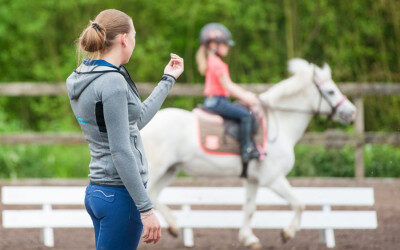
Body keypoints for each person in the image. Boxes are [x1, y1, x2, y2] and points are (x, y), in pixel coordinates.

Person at [66, 9, 184, 249]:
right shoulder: (113, 82)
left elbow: (135, 121)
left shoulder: (81, 76)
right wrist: (146, 207)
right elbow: (120, 150)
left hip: (97, 191)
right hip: (120, 195)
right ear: (124, 39)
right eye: (135, 36)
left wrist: (167, 79)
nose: (135, 42)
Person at [196, 23, 261, 163]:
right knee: (246, 114)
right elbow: (229, 86)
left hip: (215, 101)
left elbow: (230, 85)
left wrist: (247, 94)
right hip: (219, 102)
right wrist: (248, 98)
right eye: (225, 44)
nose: (228, 47)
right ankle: (247, 149)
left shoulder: (211, 61)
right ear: (214, 45)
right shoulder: (217, 63)